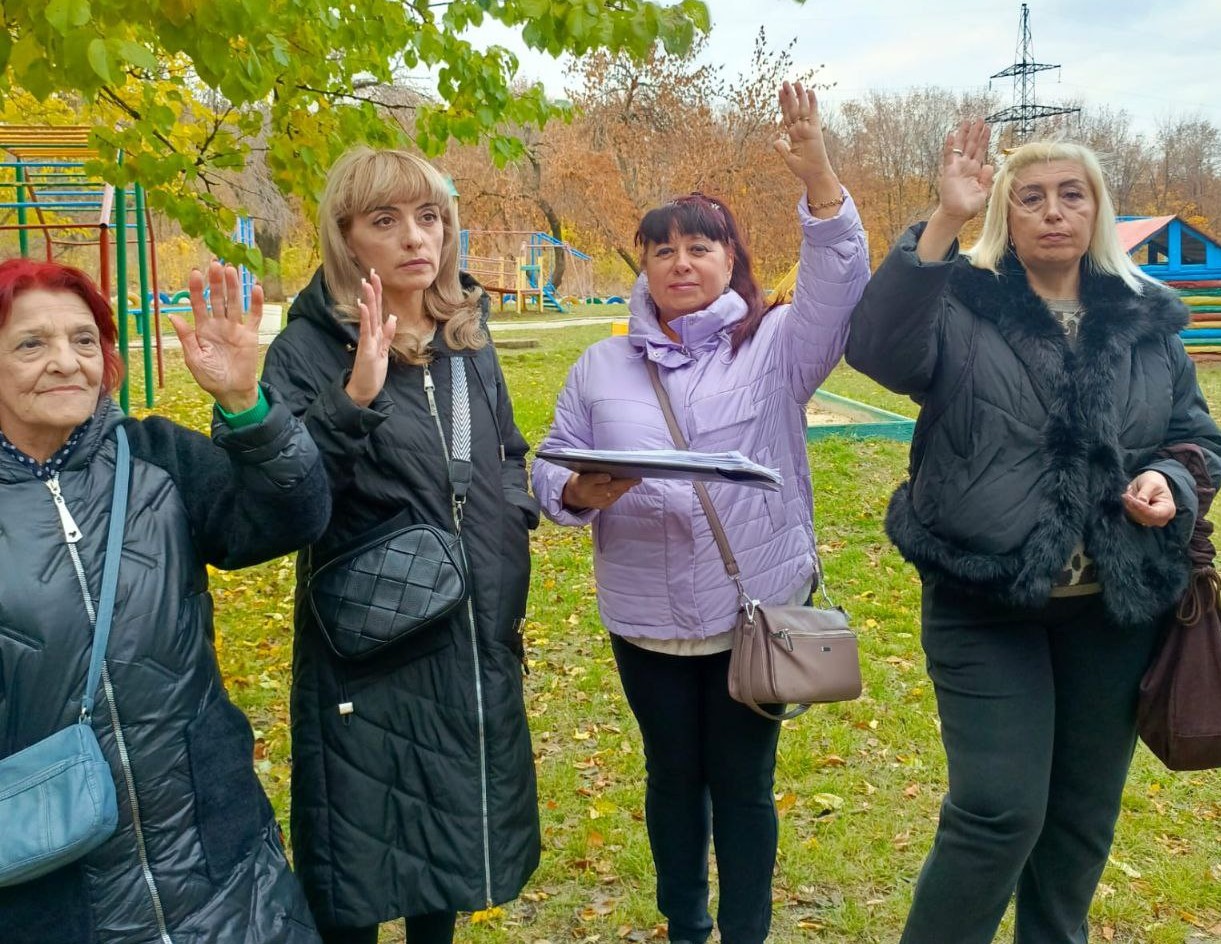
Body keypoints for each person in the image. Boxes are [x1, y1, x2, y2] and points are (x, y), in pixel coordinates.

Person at [846, 123, 1221, 943]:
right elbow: (876, 352)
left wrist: (1173, 480)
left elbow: (1195, 435)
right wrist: (940, 224)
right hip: (985, 597)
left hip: (1112, 608)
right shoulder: (959, 300)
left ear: (1097, 211)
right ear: (1005, 217)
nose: (1052, 212)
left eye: (1070, 194)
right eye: (1030, 197)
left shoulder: (1148, 319)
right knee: (996, 812)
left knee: (1078, 823)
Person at [531, 82, 869, 944]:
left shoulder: (778, 346)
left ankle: (745, 932)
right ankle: (685, 922)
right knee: (671, 780)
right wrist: (574, 493)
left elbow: (840, 283)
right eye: (662, 250)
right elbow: (548, 461)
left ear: (729, 261)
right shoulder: (599, 369)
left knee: (744, 788)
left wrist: (821, 184)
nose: (680, 262)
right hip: (642, 619)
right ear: (641, 266)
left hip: (748, 615)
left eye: (699, 247)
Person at [0, 258, 330, 943]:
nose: (66, 362)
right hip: (55, 888)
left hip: (222, 862)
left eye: (85, 340)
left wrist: (246, 406)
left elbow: (292, 516)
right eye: (31, 343)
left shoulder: (152, 457)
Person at [260, 147, 540, 944]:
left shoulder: (467, 338)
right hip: (373, 645)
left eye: (430, 217)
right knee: (357, 863)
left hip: (471, 631)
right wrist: (353, 398)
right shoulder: (309, 349)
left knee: (445, 850)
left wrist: (510, 520)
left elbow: (506, 451)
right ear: (348, 239)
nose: (417, 237)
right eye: (386, 221)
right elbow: (286, 498)